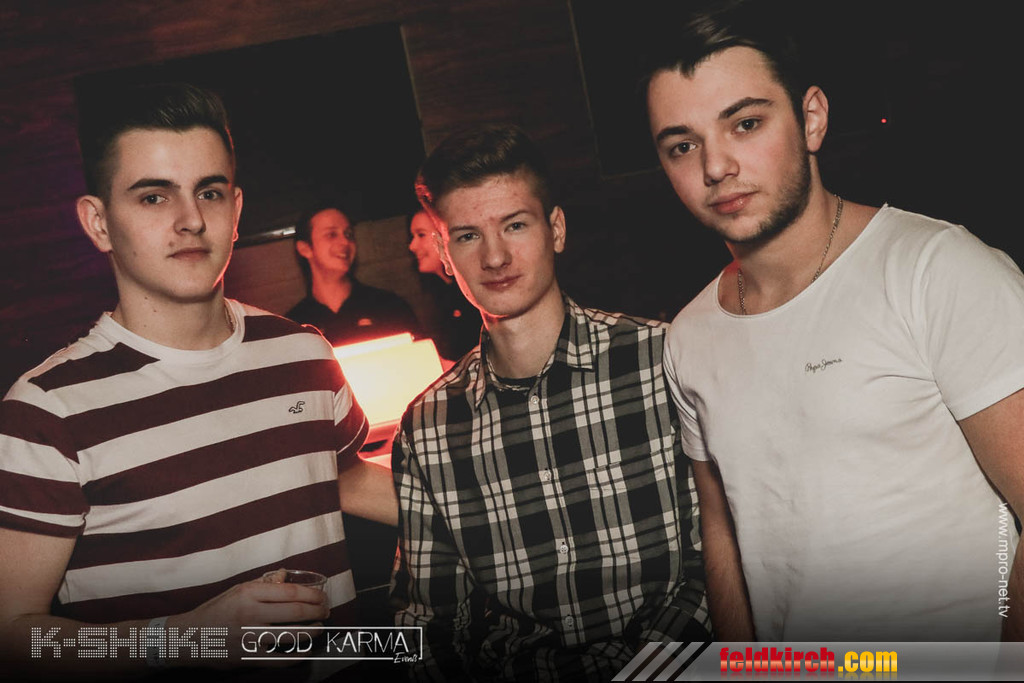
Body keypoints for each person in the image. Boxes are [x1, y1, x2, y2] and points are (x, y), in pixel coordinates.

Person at [643, 0, 1024, 641]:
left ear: (811, 118)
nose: (715, 167)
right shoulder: (689, 336)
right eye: (684, 145)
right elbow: (723, 529)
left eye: (745, 124)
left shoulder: (936, 269)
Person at [0, 83, 398, 677]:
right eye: (154, 197)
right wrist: (189, 639)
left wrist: (496, 516)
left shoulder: (303, 352)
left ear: (235, 211)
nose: (190, 220)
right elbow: (16, 639)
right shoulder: (46, 411)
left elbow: (341, 478)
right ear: (98, 223)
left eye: (208, 193)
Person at [390, 124, 709, 682]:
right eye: (467, 236)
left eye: (515, 225)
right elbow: (427, 623)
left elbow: (717, 564)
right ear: (443, 253)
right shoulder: (429, 426)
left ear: (556, 229)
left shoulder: (660, 359)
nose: (494, 256)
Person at [287, 204, 420, 347]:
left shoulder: (389, 307)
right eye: (331, 235)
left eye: (348, 234)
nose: (345, 242)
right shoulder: (294, 327)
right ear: (305, 248)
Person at [407, 209, 482, 361]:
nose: (412, 246)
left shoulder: (475, 294)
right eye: (412, 236)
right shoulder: (443, 295)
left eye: (421, 235)